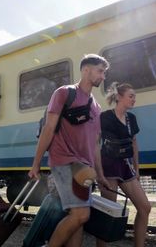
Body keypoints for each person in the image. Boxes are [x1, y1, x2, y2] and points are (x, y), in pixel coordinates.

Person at [29, 54, 110, 247]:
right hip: (65, 161)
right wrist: (36, 163)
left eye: (104, 73)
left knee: (77, 217)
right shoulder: (64, 93)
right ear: (86, 70)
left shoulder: (96, 106)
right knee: (81, 214)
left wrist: (100, 173)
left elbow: (95, 143)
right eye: (100, 71)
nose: (103, 76)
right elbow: (48, 129)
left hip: (85, 168)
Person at [97, 82, 151, 247]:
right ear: (119, 97)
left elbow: (134, 143)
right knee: (107, 212)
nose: (134, 99)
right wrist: (98, 173)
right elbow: (95, 144)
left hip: (126, 166)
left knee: (145, 207)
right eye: (131, 96)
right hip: (108, 167)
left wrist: (137, 168)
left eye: (134, 96)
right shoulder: (104, 117)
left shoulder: (131, 119)